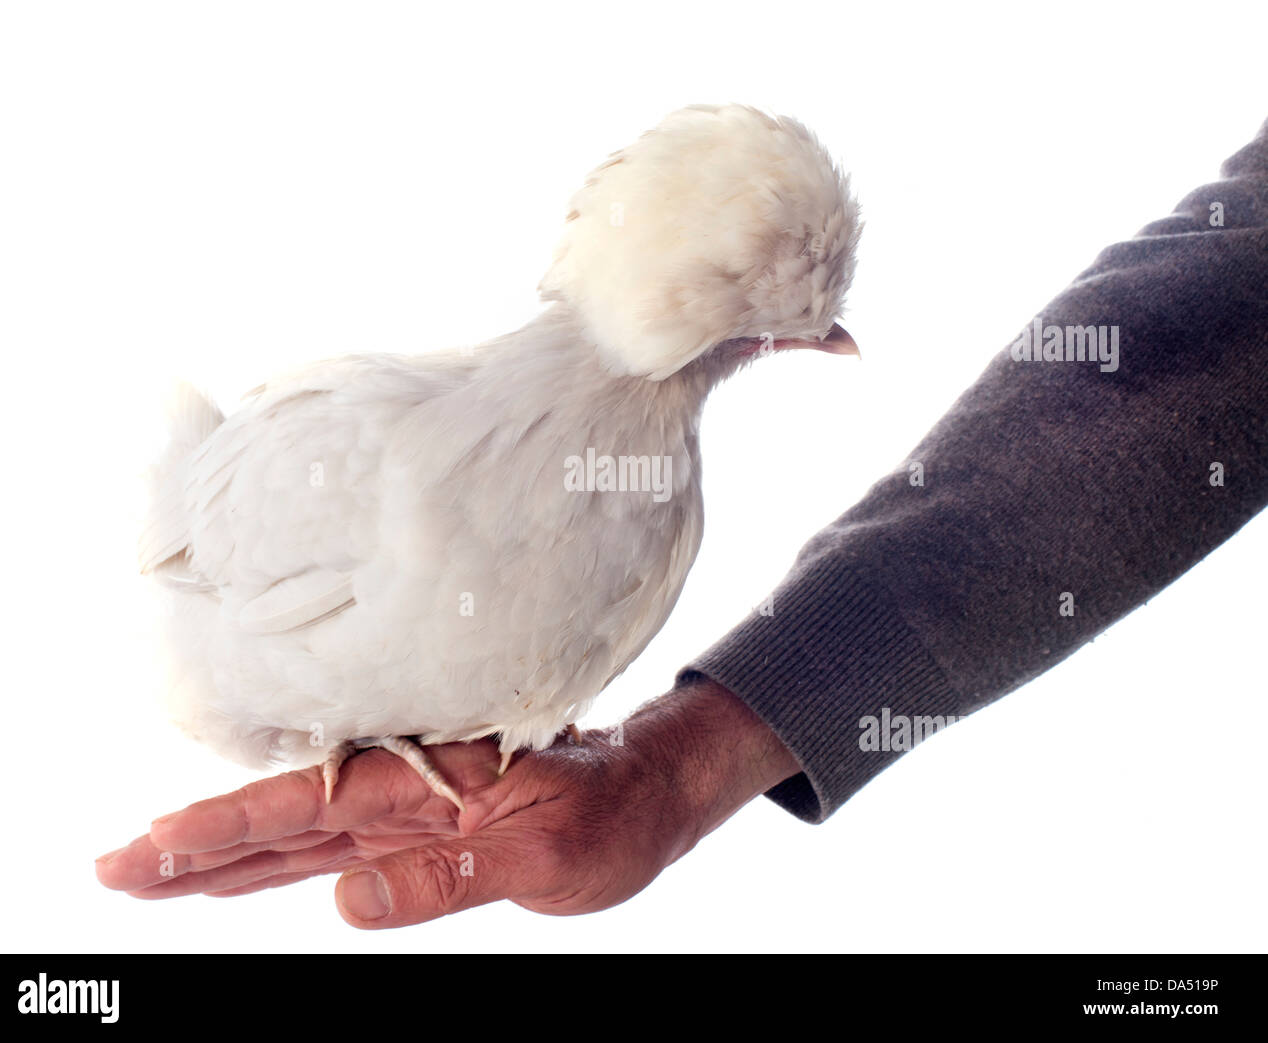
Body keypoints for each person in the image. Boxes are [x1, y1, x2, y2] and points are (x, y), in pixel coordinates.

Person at [95, 118, 1268, 930]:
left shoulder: (656, 519)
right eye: (760, 331)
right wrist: (675, 770)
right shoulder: (368, 460)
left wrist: (679, 769)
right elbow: (1201, 337)